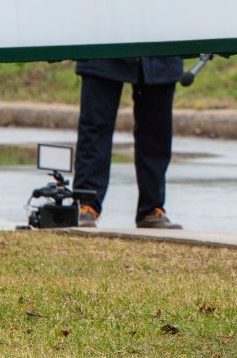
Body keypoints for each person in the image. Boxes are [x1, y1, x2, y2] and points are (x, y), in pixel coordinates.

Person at [73, 56, 183, 230]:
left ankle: (152, 209)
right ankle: (86, 206)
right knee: (95, 128)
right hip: (104, 47)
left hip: (160, 54)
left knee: (157, 131)